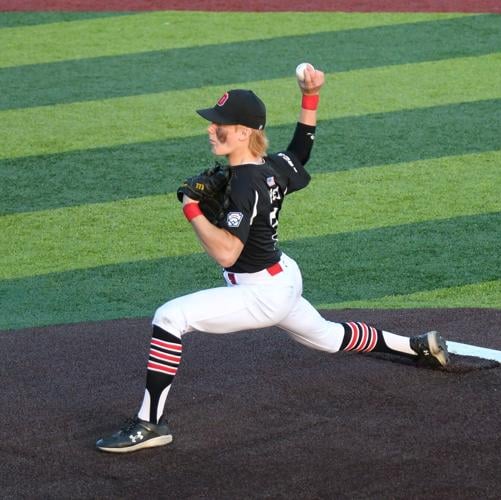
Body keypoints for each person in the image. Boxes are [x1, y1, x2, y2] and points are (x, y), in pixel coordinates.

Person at [96, 64, 449, 453]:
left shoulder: (245, 182)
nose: (211, 130)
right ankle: (416, 345)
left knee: (169, 317)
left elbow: (228, 252)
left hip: (260, 293)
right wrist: (309, 96)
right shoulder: (270, 168)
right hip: (282, 278)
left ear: (245, 132)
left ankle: (150, 424)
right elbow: (300, 152)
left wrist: (192, 208)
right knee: (328, 337)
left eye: (221, 125)